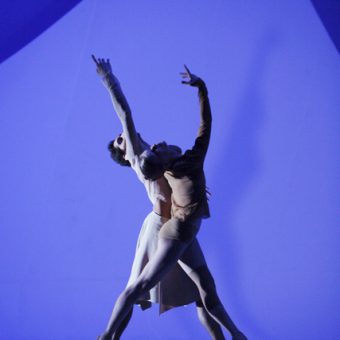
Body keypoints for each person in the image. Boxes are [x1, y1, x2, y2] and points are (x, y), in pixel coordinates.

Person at [95, 58, 247, 340]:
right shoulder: (140, 159)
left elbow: (195, 143)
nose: (122, 137)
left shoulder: (156, 152)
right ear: (124, 155)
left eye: (119, 137)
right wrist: (109, 80)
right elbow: (125, 115)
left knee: (201, 294)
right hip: (160, 228)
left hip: (180, 222)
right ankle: (108, 337)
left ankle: (229, 337)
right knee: (136, 289)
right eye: (119, 141)